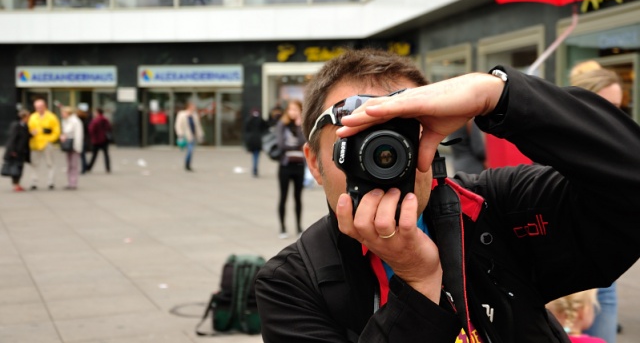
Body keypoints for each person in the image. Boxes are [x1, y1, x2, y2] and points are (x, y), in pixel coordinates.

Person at [255, 49, 640, 342]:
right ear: (314, 163)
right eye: (354, 138)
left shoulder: (494, 209)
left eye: (402, 133)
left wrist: (499, 95)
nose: (382, 158)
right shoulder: (291, 283)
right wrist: (419, 283)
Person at [570, 63, 623, 343]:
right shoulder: (551, 139)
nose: (613, 114)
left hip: (603, 266)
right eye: (605, 104)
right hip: (558, 266)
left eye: (618, 106)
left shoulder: (618, 145)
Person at [275, 99, 305, 239]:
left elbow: (304, 142)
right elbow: (281, 144)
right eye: (290, 109)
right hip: (285, 166)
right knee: (283, 197)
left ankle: (299, 227)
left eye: (296, 109)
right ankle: (282, 227)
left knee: (298, 197)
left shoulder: (302, 125)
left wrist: (299, 126)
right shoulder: (282, 124)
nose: (293, 112)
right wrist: (295, 147)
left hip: (299, 165)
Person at [27, 99, 61, 190]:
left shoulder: (52, 117)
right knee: (34, 163)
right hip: (35, 143)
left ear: (45, 106)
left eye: (40, 107)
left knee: (50, 163)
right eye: (37, 107)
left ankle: (51, 182)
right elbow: (28, 128)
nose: (39, 109)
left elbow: (56, 131)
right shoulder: (32, 117)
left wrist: (50, 139)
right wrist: (30, 133)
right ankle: (34, 182)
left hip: (47, 143)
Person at [3, 109, 31, 192]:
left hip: (22, 151)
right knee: (15, 168)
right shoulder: (16, 125)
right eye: (28, 116)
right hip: (15, 151)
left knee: (20, 167)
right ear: (24, 117)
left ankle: (17, 184)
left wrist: (31, 134)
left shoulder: (25, 126)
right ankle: (15, 184)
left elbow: (25, 137)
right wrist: (12, 151)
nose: (29, 118)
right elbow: (12, 139)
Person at [174, 101, 204, 171]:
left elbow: (197, 126)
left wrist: (201, 135)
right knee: (190, 150)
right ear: (189, 107)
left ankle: (188, 164)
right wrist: (180, 134)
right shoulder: (182, 114)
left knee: (190, 150)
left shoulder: (194, 115)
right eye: (193, 106)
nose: (194, 108)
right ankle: (187, 165)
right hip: (185, 136)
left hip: (192, 136)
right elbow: (178, 125)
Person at [59, 106, 84, 190]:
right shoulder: (65, 121)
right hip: (68, 145)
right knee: (69, 165)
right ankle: (69, 182)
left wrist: (78, 148)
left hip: (74, 145)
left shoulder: (75, 121)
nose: (62, 114)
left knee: (74, 165)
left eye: (63, 113)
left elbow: (78, 135)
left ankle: (73, 183)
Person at [86, 108, 112, 173]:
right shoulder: (105, 119)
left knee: (94, 155)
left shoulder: (96, 120)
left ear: (98, 112)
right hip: (104, 139)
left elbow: (91, 129)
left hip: (97, 140)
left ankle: (89, 167)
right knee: (106, 154)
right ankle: (108, 168)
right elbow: (109, 127)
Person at [244, 108, 268, 177]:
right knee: (256, 156)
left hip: (251, 140)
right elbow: (266, 126)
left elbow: (246, 130)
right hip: (258, 140)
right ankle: (255, 169)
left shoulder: (249, 120)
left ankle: (254, 169)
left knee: (254, 156)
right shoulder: (260, 120)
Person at [76, 107, 92, 174]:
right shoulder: (86, 120)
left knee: (81, 155)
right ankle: (85, 167)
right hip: (85, 138)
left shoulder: (78, 121)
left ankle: (84, 168)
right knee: (83, 155)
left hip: (81, 139)